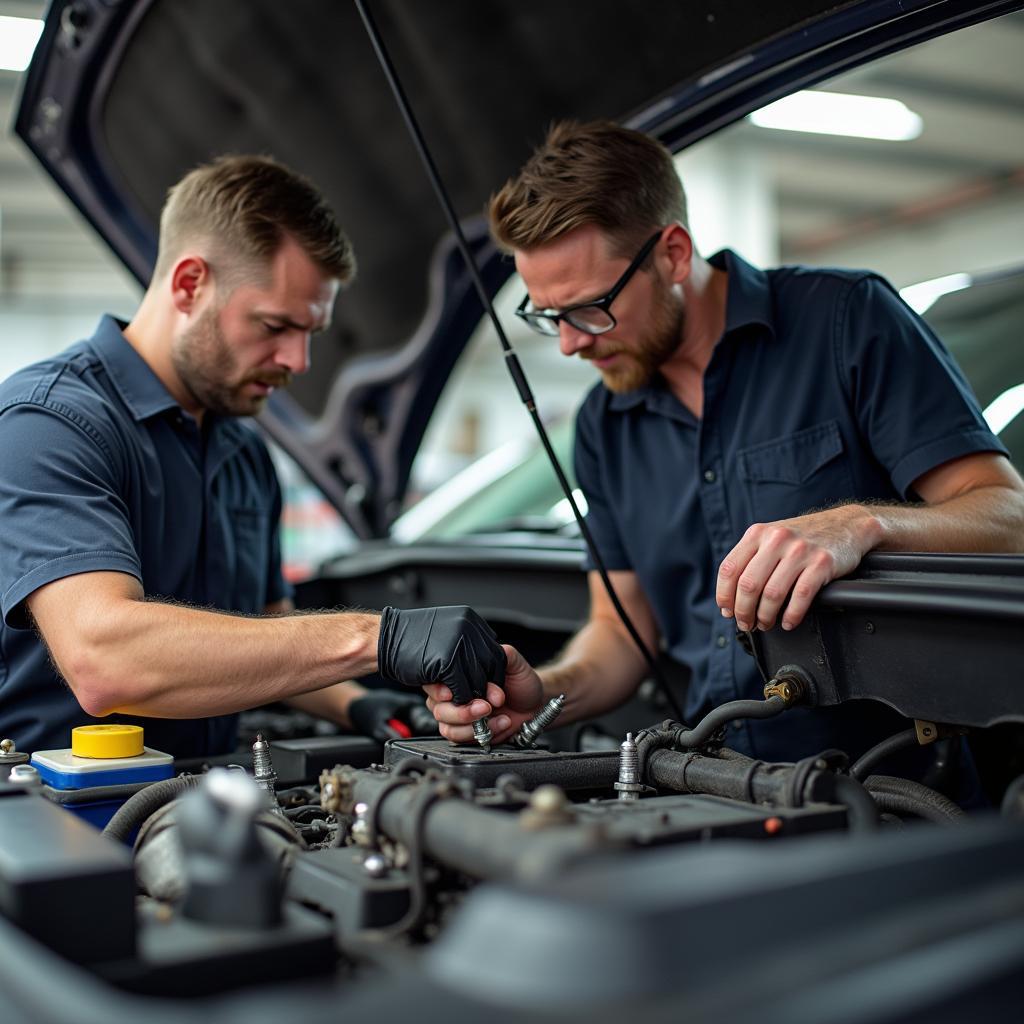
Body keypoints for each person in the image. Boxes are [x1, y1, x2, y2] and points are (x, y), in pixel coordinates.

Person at [425, 120, 1024, 764]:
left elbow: (1008, 515)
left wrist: (861, 524)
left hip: (891, 788)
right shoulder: (604, 423)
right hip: (709, 790)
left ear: (674, 254)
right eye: (547, 316)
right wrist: (543, 695)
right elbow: (618, 636)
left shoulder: (847, 322)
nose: (571, 343)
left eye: (588, 308)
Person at [0, 155, 505, 758]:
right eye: (274, 326)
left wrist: (359, 703)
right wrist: (378, 638)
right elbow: (106, 661)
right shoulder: (49, 424)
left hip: (206, 801)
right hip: (67, 824)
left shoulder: (244, 449)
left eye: (309, 334)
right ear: (189, 285)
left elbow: (265, 628)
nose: (298, 362)